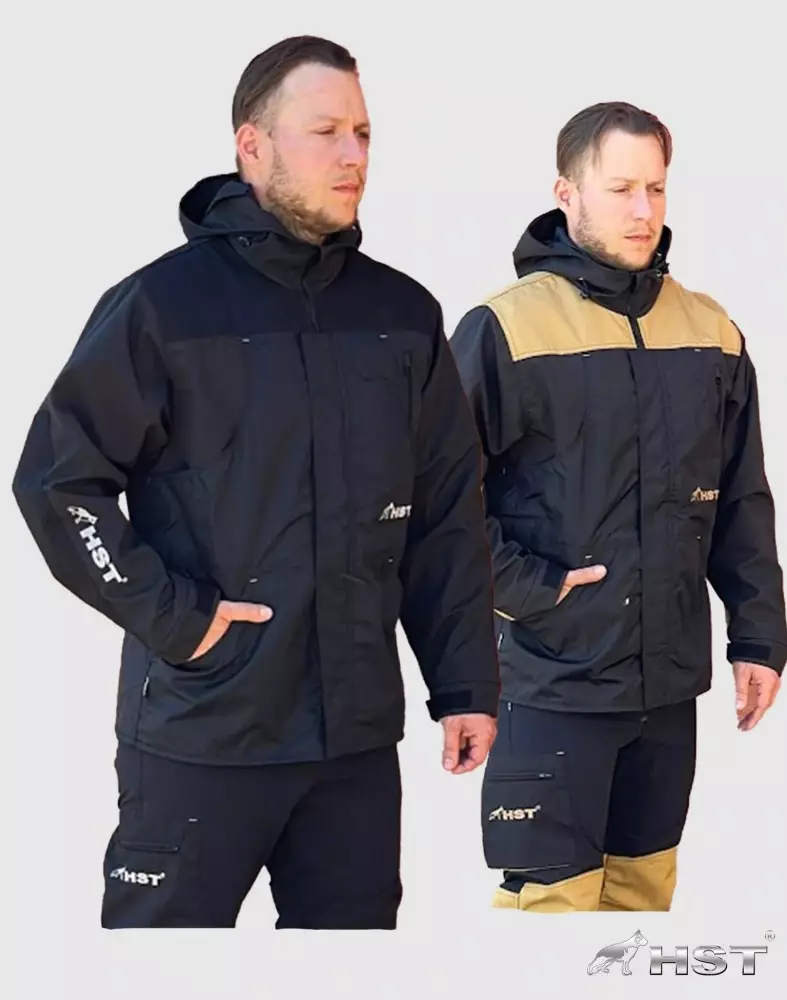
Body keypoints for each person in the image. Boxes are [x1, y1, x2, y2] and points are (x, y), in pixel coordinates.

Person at [11, 35, 499, 930]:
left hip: (354, 747)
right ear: (252, 145)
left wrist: (463, 682)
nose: (353, 155)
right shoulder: (163, 307)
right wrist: (178, 621)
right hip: (204, 732)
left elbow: (443, 516)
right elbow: (58, 481)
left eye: (362, 132)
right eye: (325, 132)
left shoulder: (400, 314)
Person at [450, 101, 786, 913]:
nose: (642, 210)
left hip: (667, 692)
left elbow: (740, 498)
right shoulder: (505, 329)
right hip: (553, 684)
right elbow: (436, 501)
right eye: (620, 189)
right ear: (566, 193)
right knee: (552, 910)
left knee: (640, 907)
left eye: (655, 189)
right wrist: (535, 590)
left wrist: (758, 636)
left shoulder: (709, 331)